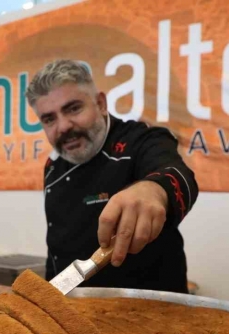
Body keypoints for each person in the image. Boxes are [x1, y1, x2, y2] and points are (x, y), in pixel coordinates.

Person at [25, 59, 198, 293]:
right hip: (72, 312)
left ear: (101, 103)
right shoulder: (53, 167)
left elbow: (175, 173)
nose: (63, 126)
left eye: (73, 108)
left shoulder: (142, 140)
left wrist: (153, 190)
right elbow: (56, 251)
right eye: (49, 119)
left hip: (151, 314)